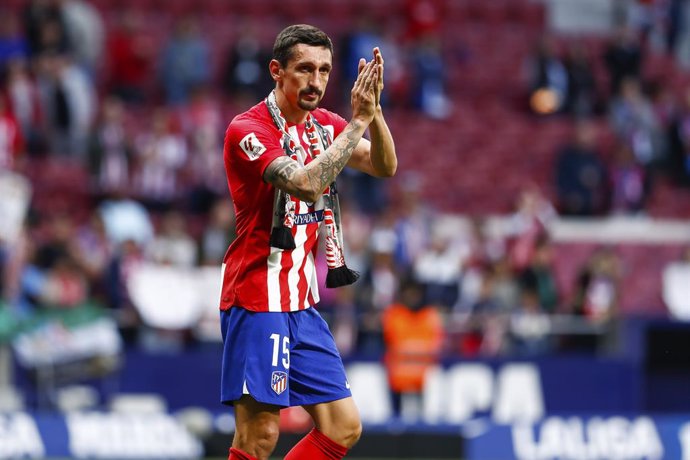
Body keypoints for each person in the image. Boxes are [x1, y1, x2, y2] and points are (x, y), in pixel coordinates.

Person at [219, 25, 396, 460]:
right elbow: (306, 184)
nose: (316, 81)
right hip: (258, 299)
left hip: (302, 303)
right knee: (259, 439)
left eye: (324, 70)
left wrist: (373, 112)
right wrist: (356, 122)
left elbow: (384, 165)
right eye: (304, 69)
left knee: (344, 426)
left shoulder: (325, 127)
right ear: (276, 71)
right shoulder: (248, 130)